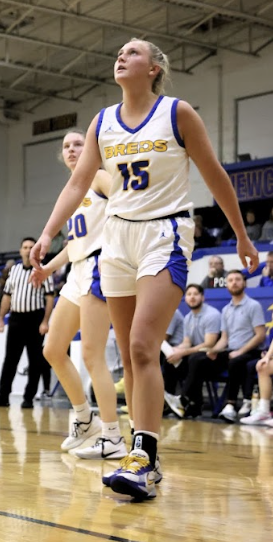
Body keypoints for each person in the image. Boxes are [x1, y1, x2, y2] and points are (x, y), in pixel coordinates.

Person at [31, 38, 258, 501]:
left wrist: (240, 233)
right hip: (116, 237)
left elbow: (214, 173)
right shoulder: (102, 122)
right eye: (118, 51)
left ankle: (146, 459)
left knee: (140, 345)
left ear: (154, 68)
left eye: (133, 52)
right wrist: (49, 233)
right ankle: (137, 449)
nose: (121, 56)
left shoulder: (177, 113)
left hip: (165, 232)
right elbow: (78, 183)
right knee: (131, 359)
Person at [31, 131, 126, 459]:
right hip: (77, 271)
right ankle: (85, 420)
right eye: (66, 146)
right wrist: (48, 269)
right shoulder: (71, 192)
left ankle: (113, 436)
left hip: (101, 265)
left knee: (91, 354)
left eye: (78, 144)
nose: (72, 150)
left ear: (93, 150)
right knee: (53, 349)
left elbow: (128, 205)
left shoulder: (100, 177)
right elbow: (74, 245)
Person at [0, 237, 55, 410]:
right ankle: (3, 396)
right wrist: (2, 319)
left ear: (36, 251)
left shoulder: (43, 270)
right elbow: (6, 296)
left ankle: (29, 398)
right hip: (16, 318)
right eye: (25, 247)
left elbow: (49, 298)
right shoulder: (14, 270)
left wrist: (45, 321)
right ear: (20, 251)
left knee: (35, 361)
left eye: (31, 247)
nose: (27, 250)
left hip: (35, 318)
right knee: (10, 359)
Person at [208, 270, 265, 421]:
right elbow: (224, 339)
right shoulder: (226, 310)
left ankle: (230, 405)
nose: (234, 282)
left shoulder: (253, 306)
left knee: (235, 362)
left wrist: (240, 351)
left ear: (244, 283)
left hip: (251, 351)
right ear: (226, 284)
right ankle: (190, 402)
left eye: (237, 279)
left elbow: (260, 335)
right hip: (232, 351)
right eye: (231, 280)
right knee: (200, 360)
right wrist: (213, 350)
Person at [163, 284, 221, 419]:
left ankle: (183, 400)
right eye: (189, 294)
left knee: (194, 359)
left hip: (214, 357)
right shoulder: (188, 317)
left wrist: (183, 352)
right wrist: (176, 350)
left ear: (202, 297)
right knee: (170, 359)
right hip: (196, 357)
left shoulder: (212, 315)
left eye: (195, 294)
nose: (192, 297)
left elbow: (209, 344)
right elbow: (187, 342)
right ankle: (168, 402)